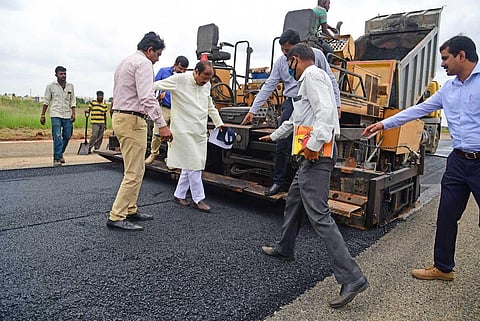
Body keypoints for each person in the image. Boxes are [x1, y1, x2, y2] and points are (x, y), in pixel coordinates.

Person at [362, 35, 480, 281]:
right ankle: (443, 268)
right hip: (458, 162)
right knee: (446, 215)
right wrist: (383, 124)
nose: (443, 64)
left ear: (462, 56)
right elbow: (418, 110)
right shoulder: (448, 88)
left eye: (445, 58)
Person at [259, 43, 368, 308]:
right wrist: (273, 135)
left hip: (315, 156)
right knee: (294, 200)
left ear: (295, 60)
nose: (290, 71)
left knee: (319, 215)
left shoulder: (313, 75)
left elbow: (327, 114)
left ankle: (352, 277)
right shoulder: (308, 82)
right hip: (309, 155)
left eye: (290, 65)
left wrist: (314, 145)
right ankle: (285, 247)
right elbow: (296, 120)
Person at [241, 29, 340, 196]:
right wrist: (253, 110)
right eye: (283, 51)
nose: (285, 55)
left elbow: (329, 81)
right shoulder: (281, 62)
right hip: (293, 103)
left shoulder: (316, 58)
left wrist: (337, 104)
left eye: (288, 51)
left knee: (313, 140)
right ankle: (279, 181)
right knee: (282, 144)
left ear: (298, 49)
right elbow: (269, 85)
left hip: (313, 103)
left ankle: (308, 180)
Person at [107, 31, 172, 231]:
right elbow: (146, 97)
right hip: (132, 119)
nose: (158, 59)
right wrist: (162, 124)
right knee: (134, 171)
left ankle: (130, 209)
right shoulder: (143, 64)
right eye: (158, 54)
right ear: (149, 50)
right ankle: (117, 215)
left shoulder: (125, 62)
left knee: (137, 168)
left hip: (122, 116)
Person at [153, 60, 224, 213]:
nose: (205, 81)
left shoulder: (206, 85)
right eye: (204, 77)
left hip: (199, 130)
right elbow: (155, 85)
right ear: (196, 72)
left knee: (190, 163)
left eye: (208, 79)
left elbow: (209, 105)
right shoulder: (180, 79)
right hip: (183, 130)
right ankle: (199, 199)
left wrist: (219, 123)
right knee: (194, 164)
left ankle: (179, 195)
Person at [145, 55, 189, 164]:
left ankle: (171, 159)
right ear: (175, 65)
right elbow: (152, 87)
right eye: (180, 69)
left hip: (177, 109)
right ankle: (154, 153)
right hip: (163, 107)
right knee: (157, 132)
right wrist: (156, 99)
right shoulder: (163, 72)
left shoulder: (184, 78)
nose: (182, 71)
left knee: (174, 134)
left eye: (184, 70)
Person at [40, 66, 76, 167]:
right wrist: (43, 114)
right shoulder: (51, 86)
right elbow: (46, 101)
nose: (63, 76)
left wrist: (74, 113)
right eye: (61, 74)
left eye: (64, 74)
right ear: (56, 75)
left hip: (67, 114)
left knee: (68, 135)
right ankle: (57, 157)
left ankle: (60, 153)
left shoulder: (70, 86)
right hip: (55, 114)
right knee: (57, 135)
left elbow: (73, 100)